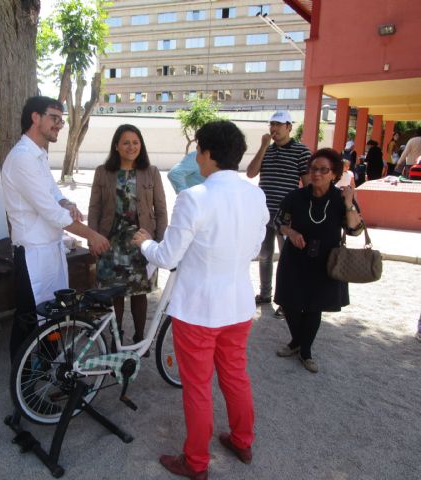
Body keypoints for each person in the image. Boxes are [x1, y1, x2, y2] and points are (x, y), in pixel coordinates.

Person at [133, 120, 268, 480]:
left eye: (198, 150)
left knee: (197, 387)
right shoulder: (255, 195)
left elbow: (167, 257)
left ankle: (195, 462)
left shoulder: (194, 197)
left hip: (198, 310)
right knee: (236, 376)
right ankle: (242, 439)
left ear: (206, 154)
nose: (196, 156)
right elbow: (254, 248)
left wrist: (144, 242)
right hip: (238, 306)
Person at [1, 96, 110, 360]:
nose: (59, 124)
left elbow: (53, 196)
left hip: (50, 250)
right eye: (54, 117)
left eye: (62, 119)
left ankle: (51, 372)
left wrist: (67, 201)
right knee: (29, 322)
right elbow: (51, 213)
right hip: (32, 255)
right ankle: (23, 389)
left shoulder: (37, 155)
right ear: (35, 118)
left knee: (55, 318)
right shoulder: (22, 158)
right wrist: (91, 235)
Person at [274, 148, 364, 373]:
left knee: (314, 306)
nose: (317, 174)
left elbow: (355, 230)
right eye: (313, 168)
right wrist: (291, 233)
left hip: (326, 259)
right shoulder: (296, 196)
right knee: (289, 302)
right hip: (295, 257)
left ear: (334, 173)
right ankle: (297, 341)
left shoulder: (340, 198)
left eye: (324, 170)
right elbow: (278, 222)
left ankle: (305, 351)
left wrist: (349, 203)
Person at [88, 124, 167, 347]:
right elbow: (94, 207)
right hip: (110, 242)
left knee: (140, 293)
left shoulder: (151, 172)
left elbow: (160, 209)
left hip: (141, 243)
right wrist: (92, 237)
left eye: (135, 142)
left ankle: (140, 337)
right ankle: (116, 336)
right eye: (126, 142)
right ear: (116, 146)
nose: (131, 147)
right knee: (115, 294)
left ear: (141, 145)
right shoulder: (103, 172)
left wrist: (159, 241)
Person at [246, 111, 310, 318]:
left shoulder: (301, 151)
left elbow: (308, 184)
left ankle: (286, 300)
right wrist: (263, 147)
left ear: (289, 127)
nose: (274, 128)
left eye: (278, 124)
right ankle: (265, 294)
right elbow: (250, 173)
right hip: (264, 213)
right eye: (271, 124)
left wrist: (301, 212)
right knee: (264, 256)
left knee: (287, 259)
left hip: (287, 216)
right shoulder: (267, 150)